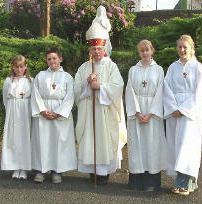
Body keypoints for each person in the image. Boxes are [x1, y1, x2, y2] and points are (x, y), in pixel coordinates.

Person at [74, 15, 127, 185]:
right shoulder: (83, 67)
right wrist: (87, 83)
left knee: (103, 140)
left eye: (99, 48)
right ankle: (91, 172)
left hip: (104, 112)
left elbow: (118, 86)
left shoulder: (111, 66)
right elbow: (76, 90)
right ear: (89, 50)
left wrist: (101, 87)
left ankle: (103, 173)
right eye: (93, 49)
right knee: (89, 139)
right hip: (89, 111)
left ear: (104, 47)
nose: (96, 52)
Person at [164, 35, 202, 195]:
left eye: (185, 47)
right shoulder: (172, 67)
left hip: (190, 114)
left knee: (187, 146)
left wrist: (183, 110)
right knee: (175, 146)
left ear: (191, 48)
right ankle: (183, 181)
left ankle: (185, 182)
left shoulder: (198, 68)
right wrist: (173, 108)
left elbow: (200, 94)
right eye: (180, 47)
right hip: (174, 111)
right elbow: (166, 88)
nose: (182, 50)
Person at [31, 48, 77, 183]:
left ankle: (57, 171)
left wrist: (58, 112)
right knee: (42, 142)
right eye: (49, 59)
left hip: (60, 114)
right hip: (43, 112)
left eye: (54, 58)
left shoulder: (67, 77)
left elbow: (70, 97)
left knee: (58, 143)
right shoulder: (40, 75)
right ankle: (41, 171)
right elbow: (35, 94)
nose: (52, 61)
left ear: (60, 59)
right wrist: (43, 110)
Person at [125, 40, 166, 191]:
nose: (144, 53)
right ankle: (136, 181)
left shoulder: (159, 70)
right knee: (138, 145)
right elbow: (129, 90)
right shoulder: (133, 70)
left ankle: (151, 182)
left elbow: (161, 91)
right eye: (142, 51)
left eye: (147, 50)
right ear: (139, 53)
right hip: (137, 112)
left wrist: (151, 113)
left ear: (152, 51)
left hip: (152, 112)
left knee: (152, 145)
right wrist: (137, 112)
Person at [1, 55, 33, 180]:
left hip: (25, 111)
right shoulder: (8, 81)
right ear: (13, 67)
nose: (19, 69)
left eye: (21, 67)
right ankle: (15, 166)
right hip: (12, 111)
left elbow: (33, 99)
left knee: (24, 138)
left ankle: (24, 167)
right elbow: (5, 98)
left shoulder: (30, 80)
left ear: (25, 67)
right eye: (16, 67)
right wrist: (9, 110)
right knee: (13, 138)